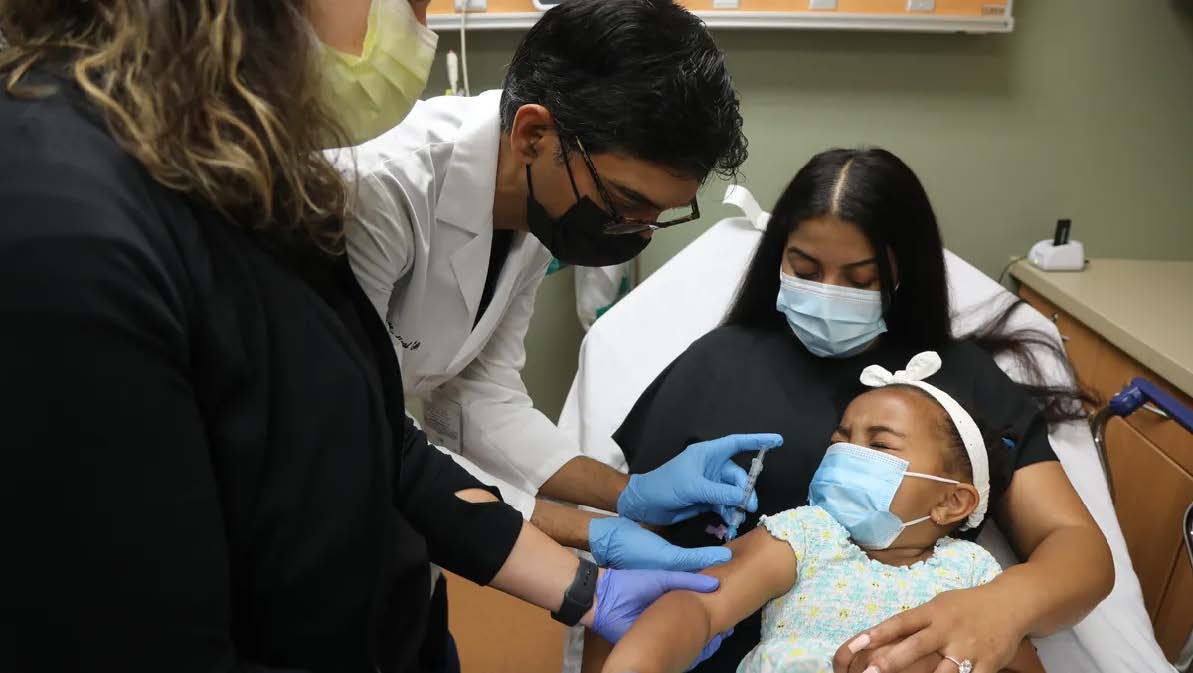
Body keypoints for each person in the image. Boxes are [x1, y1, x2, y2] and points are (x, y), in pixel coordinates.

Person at [0, 1, 731, 671]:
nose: (415, 24)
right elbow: (137, 615)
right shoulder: (68, 223)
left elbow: (381, 432)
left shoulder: (241, 179)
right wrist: (583, 530)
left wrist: (588, 574)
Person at [605, 148, 1114, 673]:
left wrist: (1003, 606)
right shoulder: (717, 365)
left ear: (902, 272)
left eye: (860, 279)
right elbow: (635, 549)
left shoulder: (961, 380)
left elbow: (1076, 547)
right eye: (804, 268)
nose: (827, 293)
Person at [335, 0, 755, 573]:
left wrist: (628, 493)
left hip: (393, 515)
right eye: (626, 204)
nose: (637, 232)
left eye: (659, 214)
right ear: (533, 135)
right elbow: (369, 435)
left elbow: (481, 396)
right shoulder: (379, 190)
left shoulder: (536, 203)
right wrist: (591, 531)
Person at [598, 351, 1047, 673]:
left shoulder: (972, 573)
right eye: (840, 440)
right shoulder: (806, 536)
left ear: (952, 501)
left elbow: (1012, 658)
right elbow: (699, 605)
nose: (846, 454)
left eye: (880, 445)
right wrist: (645, 658)